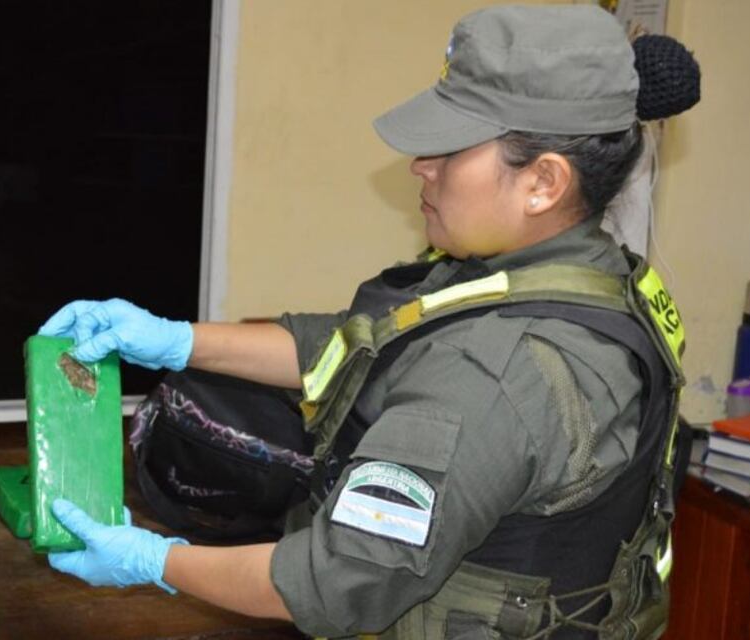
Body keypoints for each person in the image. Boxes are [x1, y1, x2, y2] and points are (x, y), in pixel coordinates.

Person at [37, 5, 700, 638]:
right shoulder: (579, 274)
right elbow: (364, 344)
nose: (422, 165)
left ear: (543, 182)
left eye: (451, 148)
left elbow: (331, 581)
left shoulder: (490, 373)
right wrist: (177, 340)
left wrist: (153, 561)